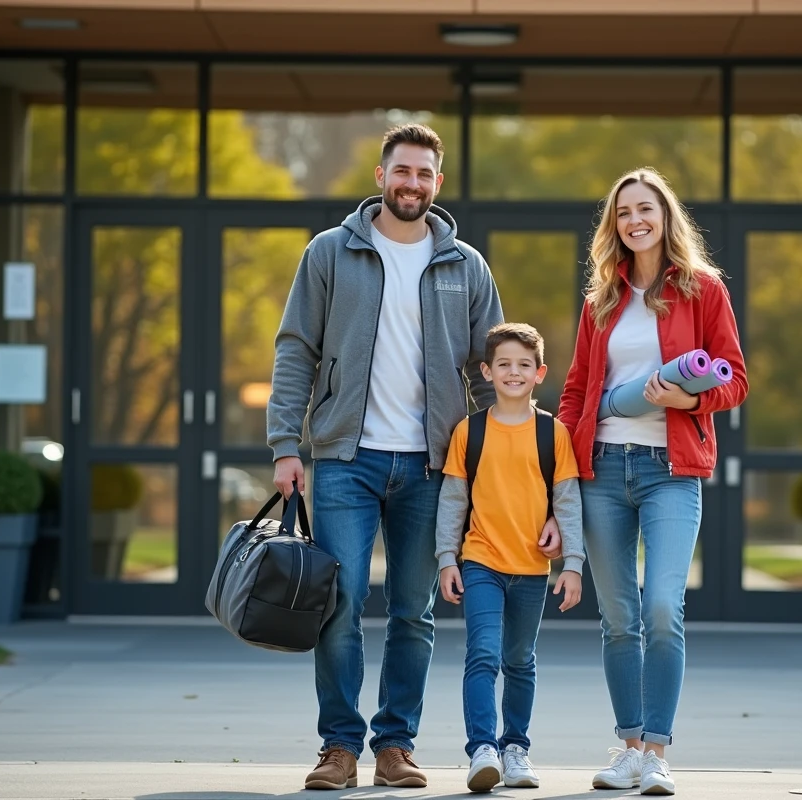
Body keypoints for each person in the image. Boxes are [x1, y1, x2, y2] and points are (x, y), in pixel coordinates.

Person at [267, 124, 561, 790]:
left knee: (413, 609)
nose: (412, 183)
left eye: (424, 174)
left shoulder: (465, 265)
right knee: (340, 601)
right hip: (347, 458)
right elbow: (295, 351)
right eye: (402, 171)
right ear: (380, 176)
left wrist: (504, 467)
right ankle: (339, 746)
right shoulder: (330, 253)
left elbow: (494, 376)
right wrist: (288, 445)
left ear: (438, 183)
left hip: (433, 466)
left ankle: (395, 743)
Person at [558, 168, 749, 796]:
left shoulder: (704, 290)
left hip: (672, 471)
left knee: (664, 607)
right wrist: (554, 467)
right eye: (622, 213)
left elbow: (735, 381)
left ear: (666, 216)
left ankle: (659, 753)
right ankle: (629, 746)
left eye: (645, 209)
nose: (634, 221)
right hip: (604, 471)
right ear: (613, 226)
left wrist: (688, 402)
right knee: (619, 618)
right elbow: (578, 392)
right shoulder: (601, 301)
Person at [435, 322, 585, 793]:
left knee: (520, 660)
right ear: (487, 370)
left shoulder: (553, 434)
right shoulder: (469, 431)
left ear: (539, 373)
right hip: (481, 561)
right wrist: (446, 558)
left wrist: (574, 562)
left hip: (532, 569)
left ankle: (515, 747)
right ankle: (482, 749)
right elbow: (453, 500)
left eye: (524, 365)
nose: (513, 372)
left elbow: (567, 501)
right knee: (482, 655)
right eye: (503, 364)